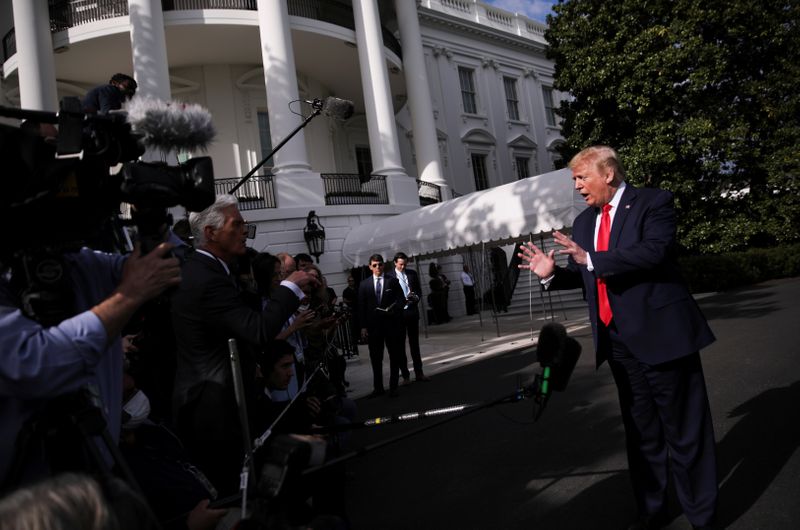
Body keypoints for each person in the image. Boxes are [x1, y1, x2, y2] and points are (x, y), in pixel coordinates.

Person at [518, 146, 718, 530]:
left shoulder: (653, 202)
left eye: (582, 177)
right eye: (574, 179)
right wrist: (551, 274)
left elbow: (653, 252)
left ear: (608, 173)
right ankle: (652, 511)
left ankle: (703, 518)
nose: (577, 186)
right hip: (620, 344)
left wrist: (590, 260)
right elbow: (586, 273)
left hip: (664, 337)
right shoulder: (582, 224)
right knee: (642, 435)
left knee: (686, 432)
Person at [170, 194, 318, 496]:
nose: (245, 230)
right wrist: (290, 285)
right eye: (236, 225)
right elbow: (258, 329)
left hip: (229, 406)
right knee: (237, 497)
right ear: (211, 233)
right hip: (215, 414)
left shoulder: (213, 272)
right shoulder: (205, 277)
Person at [0, 242, 180, 487]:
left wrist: (152, 224)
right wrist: (129, 295)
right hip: (25, 499)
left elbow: (170, 262)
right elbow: (34, 363)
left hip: (99, 475)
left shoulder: (79, 262)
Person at [357, 254, 406, 397]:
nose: (378, 267)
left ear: (384, 265)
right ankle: (378, 387)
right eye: (374, 265)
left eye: (380, 264)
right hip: (374, 327)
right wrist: (363, 327)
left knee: (394, 355)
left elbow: (401, 300)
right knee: (376, 358)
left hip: (391, 324)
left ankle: (394, 386)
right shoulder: (364, 284)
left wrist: (394, 310)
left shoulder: (393, 281)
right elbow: (361, 307)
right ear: (370, 267)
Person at [386, 252, 430, 383]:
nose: (403, 266)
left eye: (405, 264)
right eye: (400, 264)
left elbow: (419, 291)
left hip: (411, 312)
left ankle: (419, 373)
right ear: (395, 263)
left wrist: (415, 297)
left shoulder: (412, 274)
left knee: (414, 345)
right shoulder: (389, 276)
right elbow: (388, 296)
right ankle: (405, 375)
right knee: (400, 347)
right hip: (398, 315)